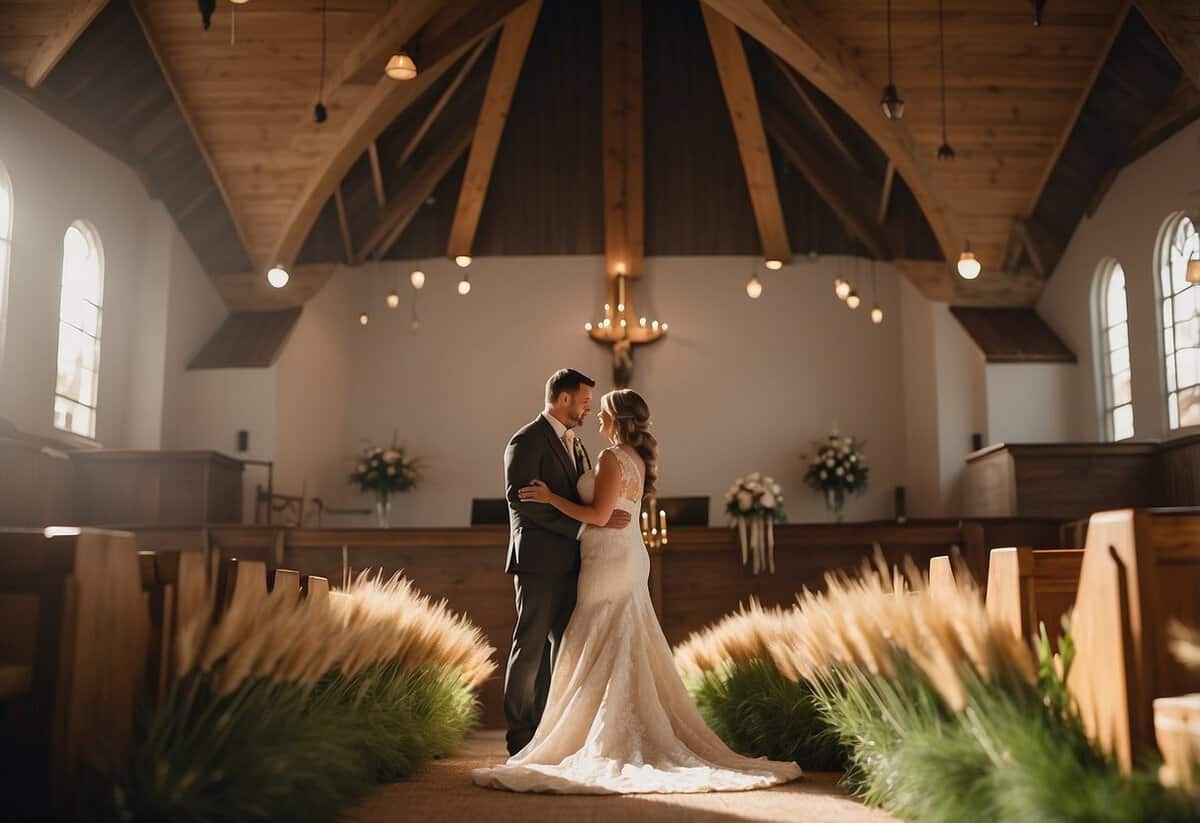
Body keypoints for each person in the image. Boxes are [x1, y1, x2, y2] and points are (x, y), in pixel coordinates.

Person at [476, 387, 801, 794]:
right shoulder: (636, 458)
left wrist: (550, 498)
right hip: (620, 554)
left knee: (592, 638)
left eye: (603, 412)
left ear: (618, 419)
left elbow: (597, 515)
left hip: (609, 558)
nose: (596, 416)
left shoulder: (612, 457)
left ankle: (592, 733)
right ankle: (592, 726)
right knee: (611, 639)